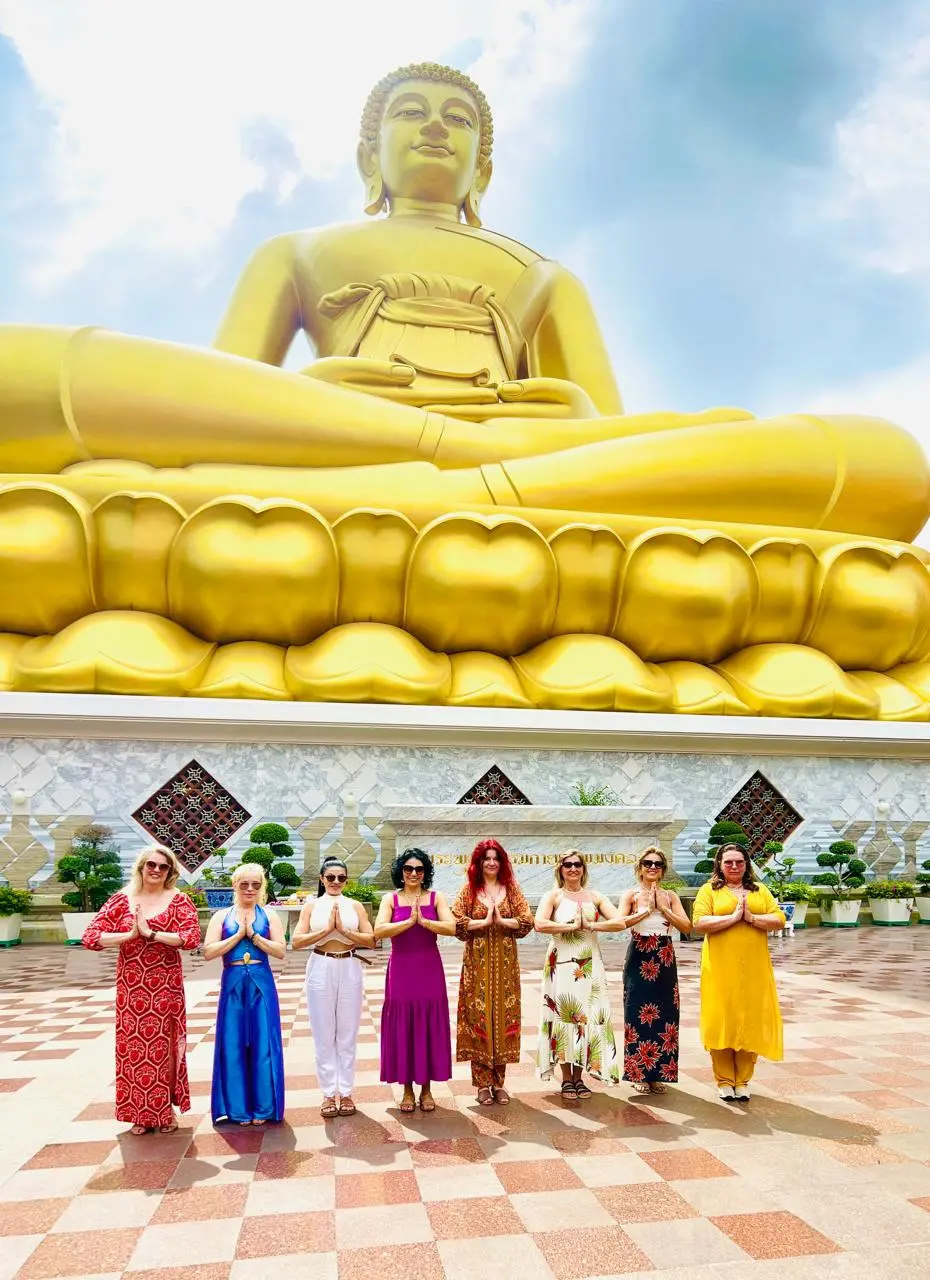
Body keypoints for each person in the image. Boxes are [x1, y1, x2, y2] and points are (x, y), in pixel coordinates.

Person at [82, 845, 201, 1134]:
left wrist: (152, 934)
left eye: (163, 867)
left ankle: (165, 1110)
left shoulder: (179, 900)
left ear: (170, 872)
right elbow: (90, 937)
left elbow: (191, 938)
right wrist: (129, 935)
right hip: (132, 987)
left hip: (165, 985)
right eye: (151, 864)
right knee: (133, 1050)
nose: (156, 870)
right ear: (141, 867)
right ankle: (139, 1113)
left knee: (165, 1047)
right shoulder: (122, 900)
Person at [692, 841, 786, 1102]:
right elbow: (698, 922)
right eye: (728, 862)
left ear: (747, 865)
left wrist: (752, 919)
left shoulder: (760, 891)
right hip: (720, 968)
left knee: (749, 1019)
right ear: (719, 866)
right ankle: (723, 1079)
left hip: (754, 968)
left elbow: (779, 919)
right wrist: (732, 918)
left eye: (740, 862)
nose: (734, 866)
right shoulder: (709, 890)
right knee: (722, 1018)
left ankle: (743, 1080)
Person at [534, 850, 623, 1103]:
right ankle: (566, 1079)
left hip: (589, 964)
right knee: (565, 1016)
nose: (573, 869)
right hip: (562, 964)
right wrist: (570, 926)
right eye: (567, 865)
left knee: (588, 1016)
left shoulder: (595, 897)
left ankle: (580, 1077)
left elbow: (619, 922)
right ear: (560, 869)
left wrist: (592, 926)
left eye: (577, 865)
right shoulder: (553, 896)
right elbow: (539, 924)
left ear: (584, 869)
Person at [451, 838, 534, 1106]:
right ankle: (482, 1085)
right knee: (479, 1019)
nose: (491, 862)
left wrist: (501, 921)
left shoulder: (511, 890)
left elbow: (526, 921)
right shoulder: (469, 890)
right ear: (478, 862)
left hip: (506, 966)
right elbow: (455, 921)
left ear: (502, 862)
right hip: (477, 965)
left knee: (503, 1019)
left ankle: (499, 1083)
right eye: (486, 858)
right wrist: (482, 922)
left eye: (495, 858)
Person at [203, 863, 286, 1126]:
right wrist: (238, 935)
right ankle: (237, 1109)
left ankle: (263, 1108)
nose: (250, 889)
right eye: (244, 884)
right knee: (233, 1044)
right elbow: (208, 951)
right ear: (235, 885)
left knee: (263, 1043)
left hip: (261, 980)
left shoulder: (269, 915)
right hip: (233, 980)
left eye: (256, 884)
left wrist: (255, 937)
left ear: (262, 887)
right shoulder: (222, 916)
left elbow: (281, 950)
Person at [374, 848, 455, 1113]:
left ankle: (427, 1089)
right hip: (401, 968)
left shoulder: (436, 897)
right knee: (404, 1024)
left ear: (425, 873)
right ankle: (407, 1089)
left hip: (429, 966)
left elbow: (450, 927)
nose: (413, 874)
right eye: (408, 869)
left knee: (429, 1023)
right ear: (401, 871)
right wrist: (409, 922)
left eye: (419, 869)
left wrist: (424, 921)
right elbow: (379, 930)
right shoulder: (391, 899)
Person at [292, 855, 374, 1118]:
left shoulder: (355, 906)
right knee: (323, 1032)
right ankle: (328, 1093)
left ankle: (346, 1091)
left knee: (348, 1032)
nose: (335, 882)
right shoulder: (312, 906)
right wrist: (327, 931)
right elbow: (296, 941)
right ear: (322, 879)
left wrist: (345, 932)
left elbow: (371, 940)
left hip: (348, 965)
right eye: (330, 877)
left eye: (340, 878)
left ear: (346, 880)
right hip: (321, 964)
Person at [617, 847, 691, 1094]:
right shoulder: (631, 894)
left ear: (663, 869)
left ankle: (658, 1074)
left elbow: (687, 926)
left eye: (658, 864)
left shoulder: (670, 895)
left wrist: (664, 908)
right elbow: (619, 923)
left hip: (664, 955)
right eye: (648, 863)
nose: (652, 867)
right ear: (639, 867)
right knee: (637, 1014)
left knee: (666, 1015)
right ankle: (638, 1073)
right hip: (639, 954)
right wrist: (647, 911)